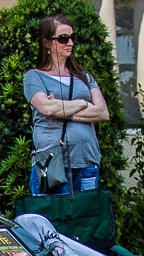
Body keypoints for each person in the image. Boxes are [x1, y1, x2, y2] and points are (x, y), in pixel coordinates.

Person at [23, 15, 110, 196]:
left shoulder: (84, 76)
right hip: (52, 163)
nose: (69, 42)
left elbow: (102, 112)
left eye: (72, 38)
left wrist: (60, 109)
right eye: (63, 38)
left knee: (84, 219)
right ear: (47, 43)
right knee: (54, 219)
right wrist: (83, 103)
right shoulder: (34, 77)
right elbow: (47, 108)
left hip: (86, 160)